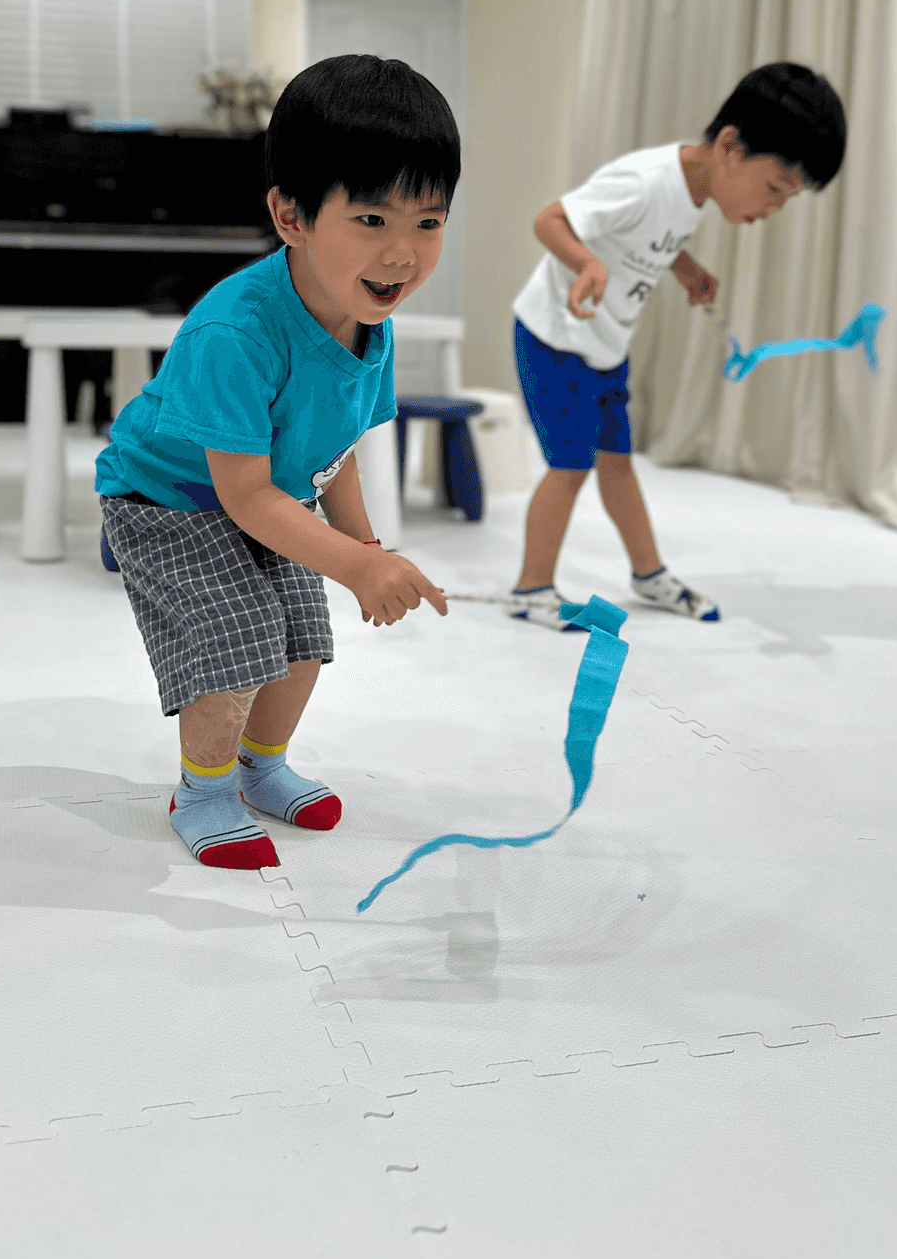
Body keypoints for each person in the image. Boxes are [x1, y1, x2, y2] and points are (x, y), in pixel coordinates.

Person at [97, 55, 455, 869]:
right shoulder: (236, 332)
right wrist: (359, 566)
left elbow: (340, 450)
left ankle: (259, 770)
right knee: (237, 634)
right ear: (290, 217)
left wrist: (365, 552)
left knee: (302, 641)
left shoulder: (374, 315)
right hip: (168, 500)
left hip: (271, 494)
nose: (403, 253)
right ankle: (205, 791)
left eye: (428, 223)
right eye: (372, 220)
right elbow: (248, 497)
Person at [507, 62, 847, 630]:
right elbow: (550, 220)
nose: (772, 210)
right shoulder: (645, 180)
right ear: (731, 147)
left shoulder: (694, 190)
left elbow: (649, 239)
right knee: (569, 467)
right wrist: (586, 263)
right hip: (557, 338)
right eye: (773, 190)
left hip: (606, 345)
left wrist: (686, 270)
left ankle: (647, 574)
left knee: (617, 463)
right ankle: (530, 588)